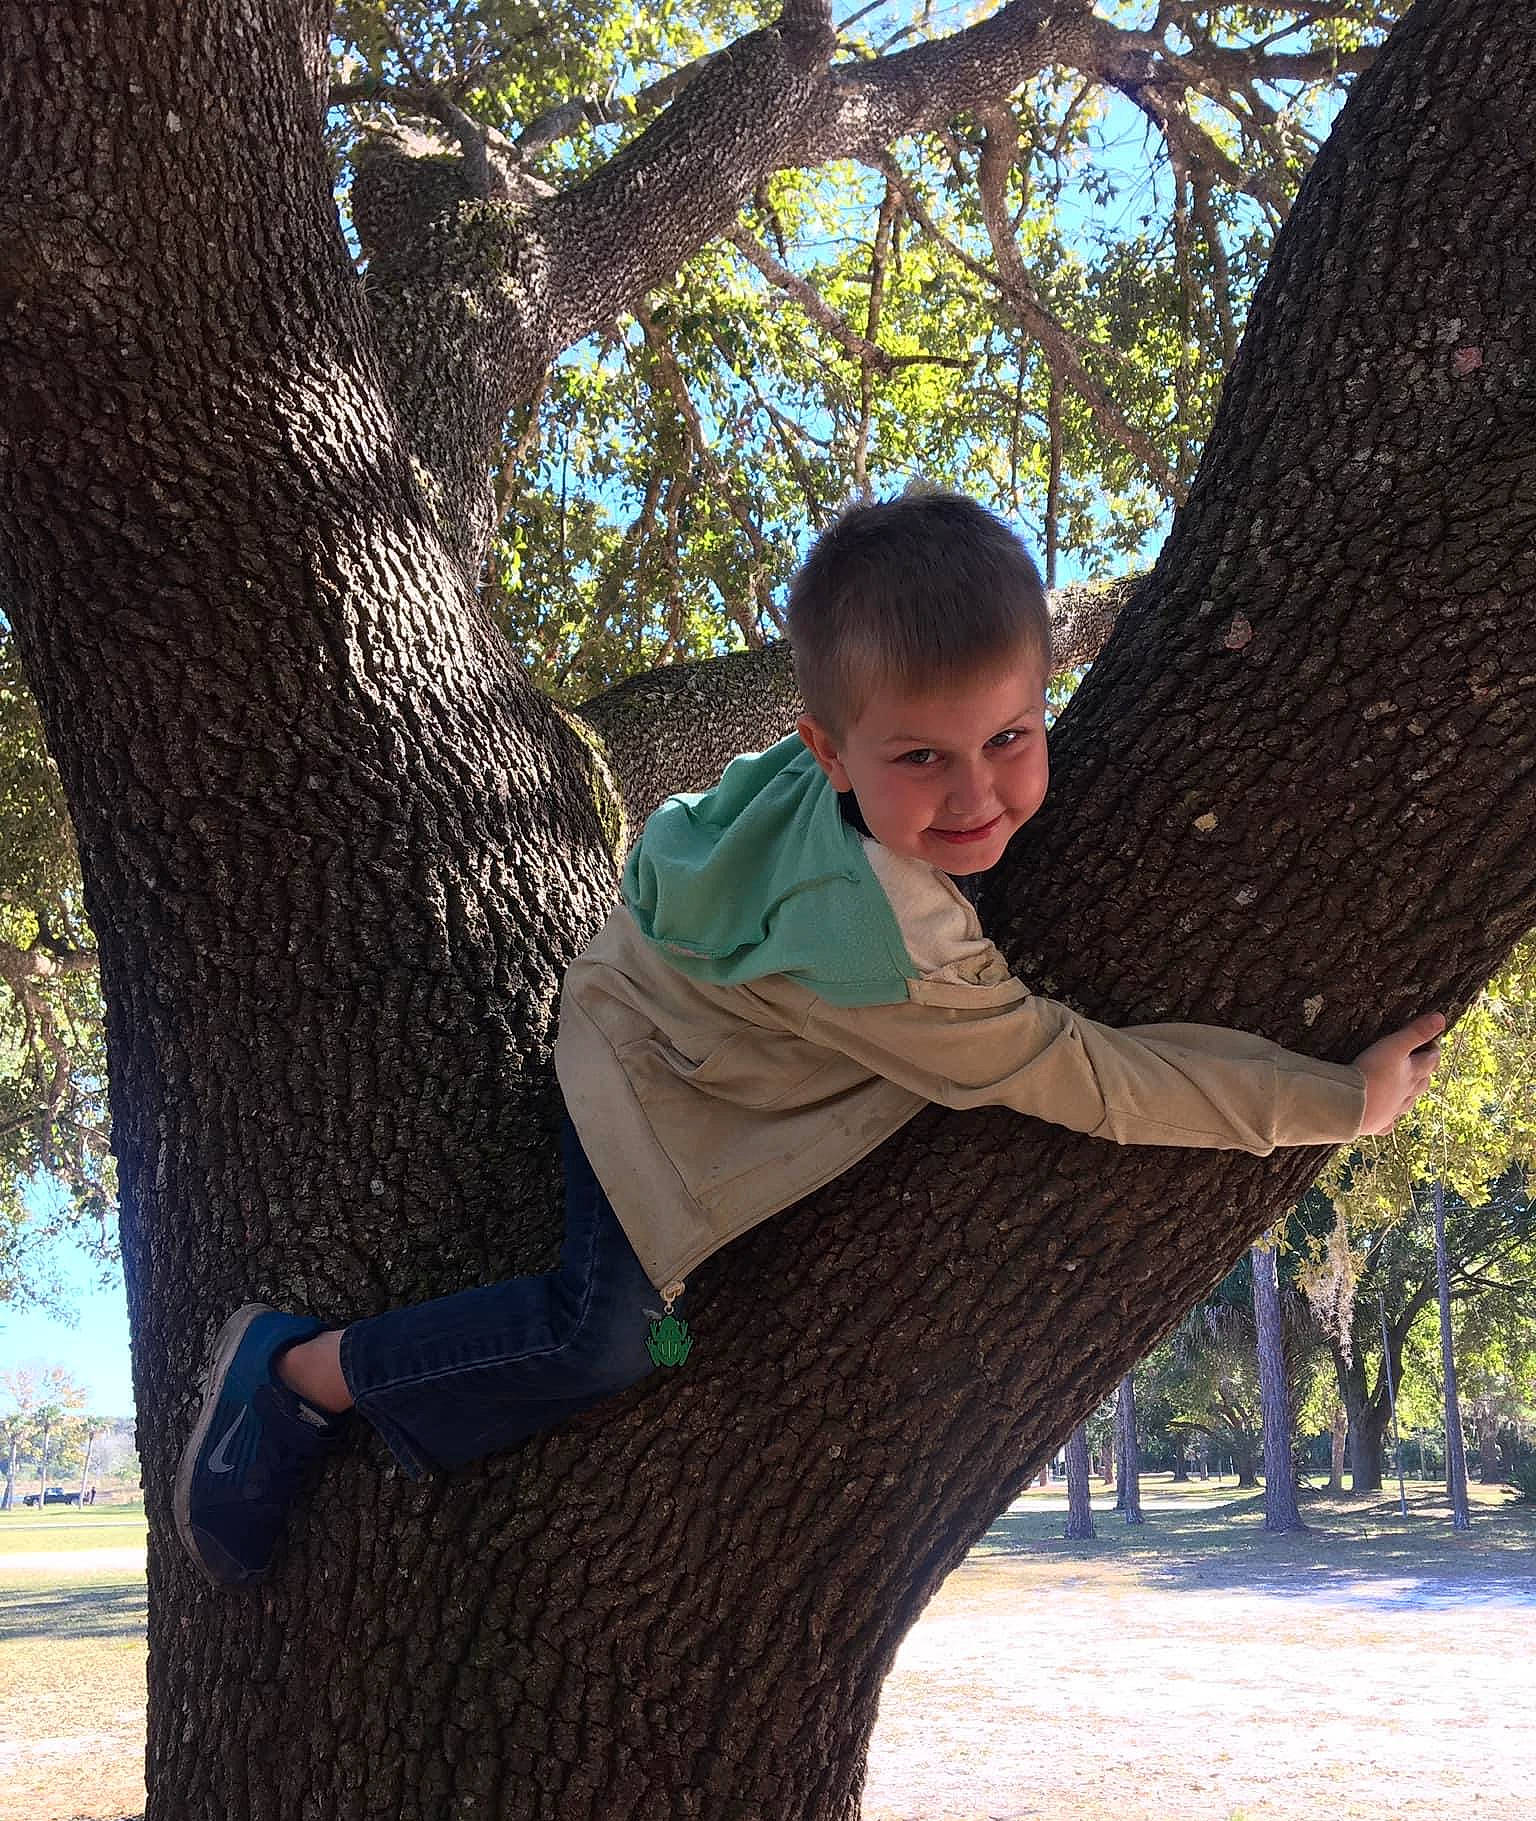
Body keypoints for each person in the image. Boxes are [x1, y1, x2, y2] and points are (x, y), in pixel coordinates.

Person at [175, 488, 1443, 1586]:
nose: (979, 794)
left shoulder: (848, 794)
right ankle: (300, 1375)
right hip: (653, 1086)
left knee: (645, 1331)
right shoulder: (883, 953)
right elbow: (1094, 1076)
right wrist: (1339, 1098)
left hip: (642, 995)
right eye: (922, 759)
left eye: (1012, 735)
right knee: (602, 1337)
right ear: (828, 750)